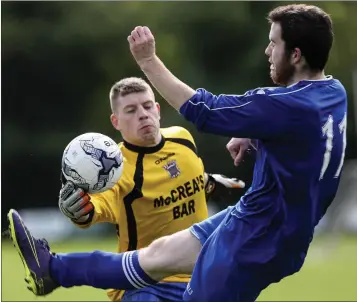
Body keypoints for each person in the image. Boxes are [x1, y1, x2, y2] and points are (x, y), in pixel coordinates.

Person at [7, 4, 347, 302]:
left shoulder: (286, 107)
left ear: (296, 54)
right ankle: (51, 269)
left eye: (274, 43)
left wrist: (148, 61)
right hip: (267, 223)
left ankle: (54, 270)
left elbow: (206, 110)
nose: (267, 51)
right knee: (157, 256)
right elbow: (307, 144)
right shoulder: (332, 93)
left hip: (257, 237)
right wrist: (257, 136)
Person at [9, 76, 245, 302]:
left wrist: (210, 182)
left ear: (158, 110)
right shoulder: (114, 171)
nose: (143, 115)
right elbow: (97, 206)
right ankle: (51, 268)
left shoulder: (182, 138)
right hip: (146, 284)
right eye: (131, 111)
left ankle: (52, 269)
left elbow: (185, 177)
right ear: (116, 121)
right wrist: (81, 210)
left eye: (147, 106)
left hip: (202, 277)